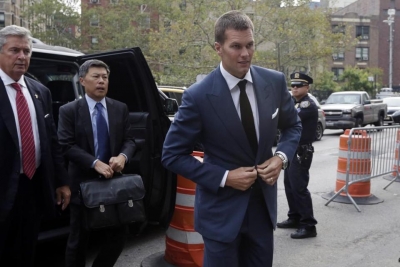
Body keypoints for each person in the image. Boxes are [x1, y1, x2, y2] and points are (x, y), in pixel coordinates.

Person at [162, 10, 302, 267]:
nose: (245, 54)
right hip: (220, 214)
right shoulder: (198, 96)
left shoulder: (274, 82)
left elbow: (293, 126)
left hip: (262, 210)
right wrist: (225, 177)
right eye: (236, 46)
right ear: (219, 48)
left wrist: (281, 157)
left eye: (250, 45)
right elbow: (172, 155)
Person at [0, 25, 71, 267]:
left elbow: (52, 141)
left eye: (27, 51)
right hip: (2, 187)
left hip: (33, 187)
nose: (22, 57)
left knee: (27, 250)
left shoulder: (40, 91)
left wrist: (61, 181)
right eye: (14, 50)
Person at [58, 59, 135, 267]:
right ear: (82, 80)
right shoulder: (70, 111)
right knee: (79, 240)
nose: (101, 81)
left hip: (114, 183)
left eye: (105, 77)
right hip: (82, 184)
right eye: (96, 77)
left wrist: (123, 157)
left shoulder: (119, 108)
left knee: (119, 235)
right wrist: (94, 163)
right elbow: (66, 145)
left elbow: (129, 140)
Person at [277, 72, 318, 239]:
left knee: (299, 188)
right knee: (289, 185)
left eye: (299, 85)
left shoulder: (307, 105)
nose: (294, 88)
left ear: (307, 87)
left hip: (301, 152)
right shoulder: (296, 103)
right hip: (293, 151)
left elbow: (288, 119)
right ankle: (294, 217)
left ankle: (308, 225)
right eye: (292, 85)